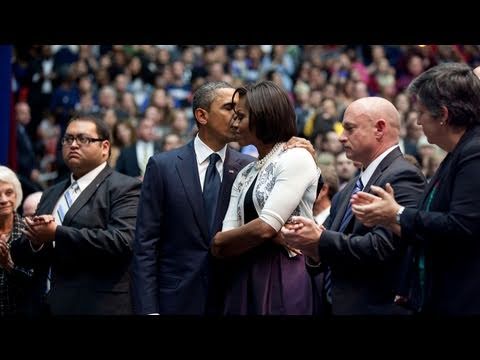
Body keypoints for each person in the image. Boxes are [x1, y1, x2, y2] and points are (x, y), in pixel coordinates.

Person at [132, 81, 313, 315]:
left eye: (241, 113)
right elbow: (146, 245)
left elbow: (297, 203)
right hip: (176, 300)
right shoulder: (163, 166)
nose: (236, 118)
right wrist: (148, 311)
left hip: (235, 294)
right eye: (229, 109)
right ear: (202, 115)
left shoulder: (250, 168)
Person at [351, 62, 480, 315]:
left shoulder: (474, 152)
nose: (418, 122)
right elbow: (432, 228)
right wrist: (388, 217)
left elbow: (463, 226)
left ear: (443, 115)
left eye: (421, 112)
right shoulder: (458, 153)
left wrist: (397, 213)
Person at [281, 96, 426, 315]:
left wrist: (320, 240)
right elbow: (325, 252)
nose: (341, 137)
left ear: (379, 129)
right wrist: (309, 245)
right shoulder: (348, 190)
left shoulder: (403, 176)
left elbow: (382, 248)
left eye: (349, 129)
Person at [10, 115, 141, 315]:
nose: (73, 145)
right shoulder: (51, 192)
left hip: (97, 306)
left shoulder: (125, 187)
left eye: (83, 139)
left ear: (105, 147)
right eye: (68, 139)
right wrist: (35, 239)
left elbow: (122, 242)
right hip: (47, 305)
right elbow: (22, 254)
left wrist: (57, 233)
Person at [211, 81, 319, 315]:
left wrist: (264, 232)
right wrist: (265, 234)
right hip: (244, 274)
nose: (234, 122)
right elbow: (222, 243)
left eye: (240, 116)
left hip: (284, 272)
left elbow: (264, 228)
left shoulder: (296, 156)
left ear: (263, 117)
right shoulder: (246, 172)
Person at [0, 166, 39, 316]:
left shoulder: (30, 230)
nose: (3, 200)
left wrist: (8, 264)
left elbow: (37, 283)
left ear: (17, 195)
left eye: (8, 193)